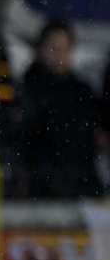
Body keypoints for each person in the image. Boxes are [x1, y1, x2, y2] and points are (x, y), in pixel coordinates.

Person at [21, 22, 102, 199]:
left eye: (65, 49)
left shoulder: (83, 91)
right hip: (42, 187)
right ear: (40, 49)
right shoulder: (27, 89)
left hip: (82, 184)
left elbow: (92, 137)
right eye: (53, 48)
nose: (59, 55)